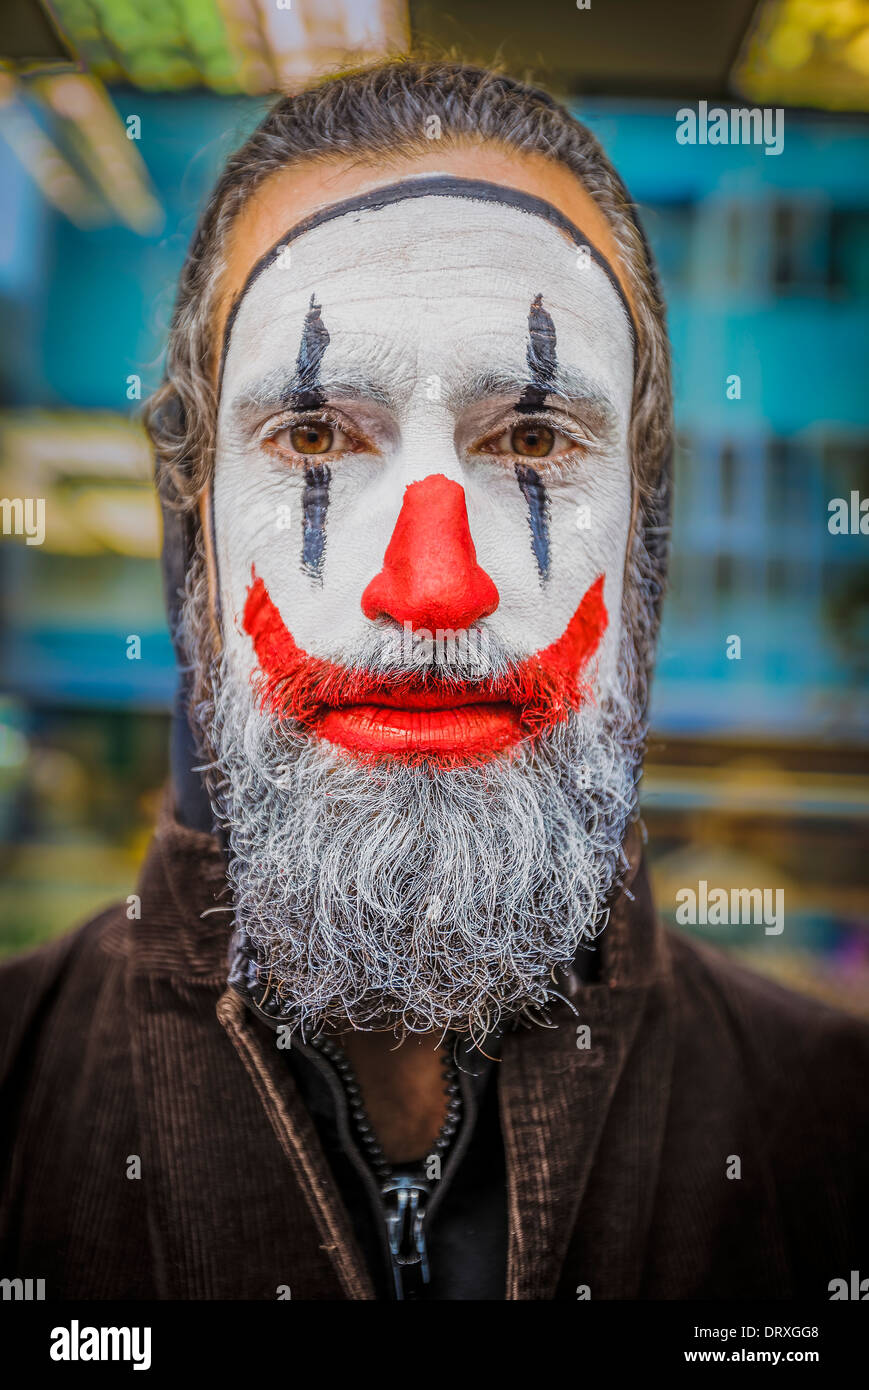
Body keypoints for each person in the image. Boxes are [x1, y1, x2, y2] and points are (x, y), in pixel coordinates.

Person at [1, 59, 866, 1302]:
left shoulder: (833, 1135)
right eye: (312, 435)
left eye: (530, 438)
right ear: (191, 535)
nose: (429, 583)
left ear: (643, 539)